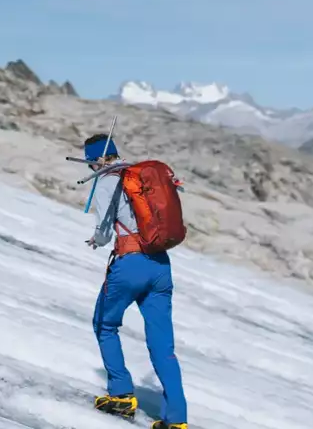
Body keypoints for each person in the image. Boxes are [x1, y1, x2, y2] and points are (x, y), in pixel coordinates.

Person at [82, 133, 188, 429]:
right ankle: (177, 419)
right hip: (160, 265)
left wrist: (97, 240)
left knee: (104, 324)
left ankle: (120, 394)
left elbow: (104, 230)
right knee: (162, 345)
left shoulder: (106, 181)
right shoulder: (142, 175)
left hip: (130, 264)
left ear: (95, 159)